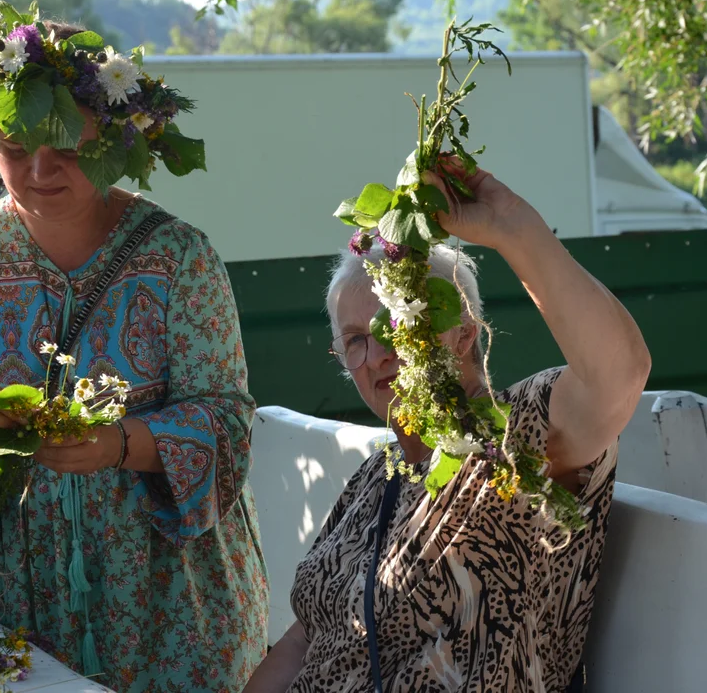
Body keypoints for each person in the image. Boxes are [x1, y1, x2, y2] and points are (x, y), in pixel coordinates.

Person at [0, 11, 268, 692]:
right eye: (13, 141)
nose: (37, 168)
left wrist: (120, 444)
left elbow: (228, 427)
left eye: (64, 143)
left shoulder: (177, 256)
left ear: (114, 137)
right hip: (27, 603)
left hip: (177, 608)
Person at [243, 162, 651, 692]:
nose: (377, 355)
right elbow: (304, 640)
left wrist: (511, 226)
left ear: (462, 333)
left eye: (398, 322)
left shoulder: (513, 442)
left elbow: (618, 374)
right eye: (354, 341)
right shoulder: (378, 475)